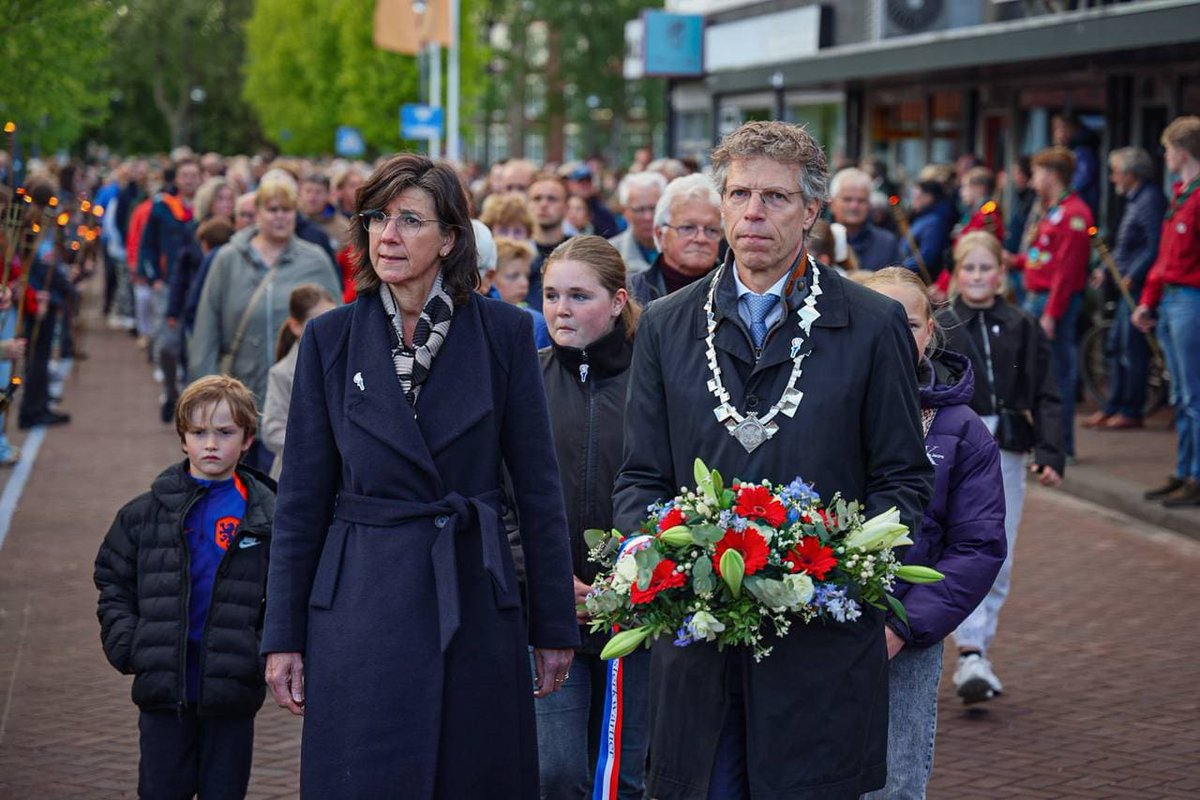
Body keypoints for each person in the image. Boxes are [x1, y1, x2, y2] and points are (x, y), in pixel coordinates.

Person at [612, 121, 934, 799]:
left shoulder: (873, 324)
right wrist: (670, 561)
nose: (753, 213)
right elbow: (640, 476)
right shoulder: (666, 323)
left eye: (775, 198)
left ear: (812, 211)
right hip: (700, 641)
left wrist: (844, 567)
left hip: (818, 639)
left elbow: (902, 477)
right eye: (739, 194)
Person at [260, 154, 579, 797]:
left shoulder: (505, 334)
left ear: (450, 238)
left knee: (470, 775)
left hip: (473, 594)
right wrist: (283, 636)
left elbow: (539, 490)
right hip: (359, 604)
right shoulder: (328, 340)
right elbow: (298, 501)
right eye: (378, 218)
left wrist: (551, 626)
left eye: (410, 220)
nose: (388, 235)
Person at [856, 267, 1007, 799]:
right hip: (814, 630)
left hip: (906, 636)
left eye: (911, 324)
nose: (897, 335)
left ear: (930, 333)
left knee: (893, 786)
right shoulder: (814, 407)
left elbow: (977, 545)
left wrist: (903, 626)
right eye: (881, 320)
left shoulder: (962, 429)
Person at [94, 375, 275, 800]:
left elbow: (286, 590)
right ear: (182, 439)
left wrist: (258, 651)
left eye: (225, 432)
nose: (210, 444)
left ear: (248, 439)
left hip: (231, 689)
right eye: (198, 432)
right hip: (164, 689)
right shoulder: (142, 515)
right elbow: (112, 580)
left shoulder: (269, 518)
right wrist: (129, 644)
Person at [531, 235, 650, 799]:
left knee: (627, 775)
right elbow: (504, 496)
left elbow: (675, 488)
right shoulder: (525, 380)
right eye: (551, 294)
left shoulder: (654, 383)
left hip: (643, 614)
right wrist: (546, 580)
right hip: (554, 613)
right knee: (556, 772)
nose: (561, 309)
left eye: (579, 296)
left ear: (618, 300)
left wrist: (635, 578)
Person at [938, 231, 1065, 704]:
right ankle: (968, 647)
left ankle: (977, 648)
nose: (976, 277)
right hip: (958, 444)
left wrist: (1051, 451)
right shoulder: (944, 324)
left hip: (1008, 445)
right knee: (956, 539)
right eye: (968, 268)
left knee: (999, 546)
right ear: (957, 272)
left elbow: (1047, 390)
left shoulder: (1022, 325)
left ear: (1001, 274)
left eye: (985, 268)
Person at [188, 178, 342, 473]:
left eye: (287, 209)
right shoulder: (228, 260)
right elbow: (206, 331)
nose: (281, 216)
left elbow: (337, 328)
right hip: (238, 394)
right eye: (273, 209)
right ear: (256, 212)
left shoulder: (315, 260)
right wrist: (203, 399)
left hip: (294, 398)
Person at [1134, 116, 1200, 506]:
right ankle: (1185, 470)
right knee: (1181, 395)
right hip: (1173, 298)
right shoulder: (1181, 195)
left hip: (1191, 299)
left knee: (1193, 395)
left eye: (1168, 148)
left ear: (1182, 150)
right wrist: (1148, 299)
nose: (1165, 155)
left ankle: (1195, 475)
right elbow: (1164, 256)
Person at [1014, 146, 1092, 461]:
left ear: (1051, 174)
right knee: (1042, 374)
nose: (1033, 181)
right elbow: (1043, 258)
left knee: (1057, 375)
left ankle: (1061, 446)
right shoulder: (1055, 208)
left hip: (1051, 303)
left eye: (1036, 173)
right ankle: (1051, 443)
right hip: (1040, 298)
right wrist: (1016, 262)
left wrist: (1051, 313)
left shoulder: (1074, 214)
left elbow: (1066, 270)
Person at [1083, 147, 1166, 431]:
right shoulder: (1136, 200)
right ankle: (1114, 405)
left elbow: (1154, 245)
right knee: (1116, 346)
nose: (1112, 177)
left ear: (1131, 174)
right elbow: (1127, 245)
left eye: (1116, 172)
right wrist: (1106, 270)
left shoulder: (1149, 201)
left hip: (1138, 288)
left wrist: (1134, 273)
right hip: (1128, 284)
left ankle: (1130, 409)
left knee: (1131, 349)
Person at [262, 284, 337, 482]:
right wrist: (319, 446)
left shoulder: (345, 363)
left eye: (332, 319)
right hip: (296, 476)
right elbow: (271, 430)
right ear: (296, 326)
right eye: (319, 321)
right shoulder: (282, 373)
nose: (328, 328)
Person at [629, 174, 722, 306]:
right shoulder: (633, 294)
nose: (701, 239)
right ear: (661, 235)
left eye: (711, 230)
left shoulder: (735, 290)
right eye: (688, 228)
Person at [830, 167, 899, 271]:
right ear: (832, 203)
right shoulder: (817, 240)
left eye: (861, 200)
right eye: (847, 199)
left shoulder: (886, 243)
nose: (854, 206)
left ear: (869, 204)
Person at [493, 236, 552, 348]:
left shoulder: (536, 322)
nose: (524, 283)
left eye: (526, 276)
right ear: (489, 277)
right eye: (513, 276)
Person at [608, 171, 667, 276]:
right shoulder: (610, 255)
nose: (648, 217)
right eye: (639, 210)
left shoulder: (683, 250)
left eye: (654, 208)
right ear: (625, 211)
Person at [528, 173, 572, 301]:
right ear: (528, 204)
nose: (544, 204)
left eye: (552, 199)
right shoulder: (517, 253)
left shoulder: (581, 253)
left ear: (566, 207)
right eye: (537, 198)